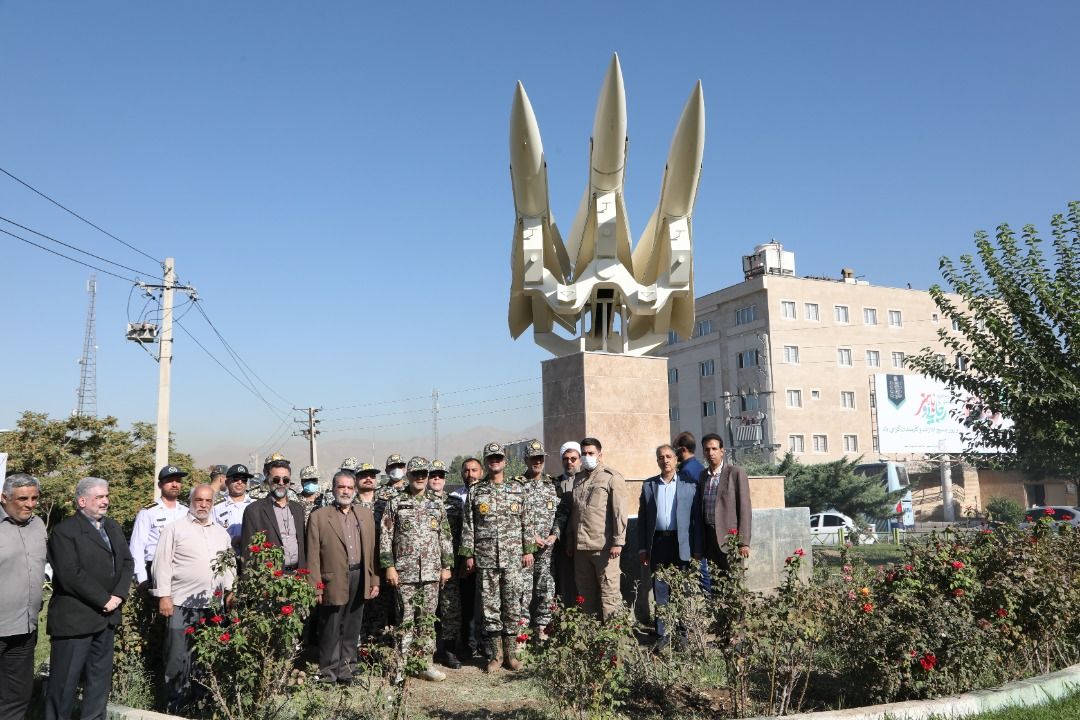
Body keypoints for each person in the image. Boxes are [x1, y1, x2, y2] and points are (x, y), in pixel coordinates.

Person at [45, 477, 134, 720]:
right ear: (82, 501)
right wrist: (104, 599)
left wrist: (118, 595)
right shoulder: (65, 532)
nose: (105, 501)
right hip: (75, 621)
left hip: (106, 619)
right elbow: (69, 574)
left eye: (106, 496)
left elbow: (127, 562)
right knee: (64, 685)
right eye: (99, 497)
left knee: (99, 684)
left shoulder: (112, 527)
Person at [153, 484, 235, 713]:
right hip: (180, 604)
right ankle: (174, 707)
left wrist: (230, 591)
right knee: (177, 657)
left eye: (208, 501)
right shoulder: (174, 529)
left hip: (212, 607)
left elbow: (229, 566)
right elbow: (162, 565)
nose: (203, 505)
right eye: (199, 500)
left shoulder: (221, 532)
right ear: (191, 501)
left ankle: (201, 706)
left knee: (205, 658)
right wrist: (164, 596)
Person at [459, 442, 535, 672]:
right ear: (486, 462)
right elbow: (468, 525)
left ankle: (511, 655)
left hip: (513, 558)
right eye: (491, 458)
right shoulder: (476, 491)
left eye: (498, 458)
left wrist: (528, 549)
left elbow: (527, 521)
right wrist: (469, 554)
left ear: (504, 461)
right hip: (486, 557)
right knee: (490, 607)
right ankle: (494, 656)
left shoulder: (518, 489)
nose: (495, 461)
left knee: (512, 605)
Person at [380, 457, 453, 681]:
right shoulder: (395, 502)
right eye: (416, 473)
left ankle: (424, 664)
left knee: (427, 619)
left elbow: (445, 535)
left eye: (424, 473)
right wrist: (389, 567)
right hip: (405, 571)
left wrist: (446, 566)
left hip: (431, 571)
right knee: (405, 618)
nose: (420, 477)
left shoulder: (436, 502)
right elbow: (385, 536)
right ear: (408, 475)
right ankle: (401, 666)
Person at [306, 470, 379, 685]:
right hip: (332, 579)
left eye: (349, 487)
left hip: (359, 576)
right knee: (331, 626)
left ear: (354, 490)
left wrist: (374, 579)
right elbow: (312, 556)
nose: (345, 491)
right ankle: (328, 673)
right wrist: (316, 587)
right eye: (341, 487)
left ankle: (347, 670)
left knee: (352, 626)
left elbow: (372, 551)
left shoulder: (364, 515)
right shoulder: (319, 516)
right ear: (333, 489)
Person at [638, 445, 700, 652]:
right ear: (657, 461)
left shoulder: (689, 484)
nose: (665, 460)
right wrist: (642, 548)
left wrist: (696, 548)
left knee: (681, 590)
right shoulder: (649, 485)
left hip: (681, 544)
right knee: (660, 590)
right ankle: (662, 633)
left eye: (668, 456)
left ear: (676, 459)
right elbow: (643, 519)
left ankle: (682, 634)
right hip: (658, 543)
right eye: (661, 457)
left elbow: (695, 519)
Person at [0, 473, 47, 720]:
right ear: (3, 498)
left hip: (25, 626)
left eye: (34, 498)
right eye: (23, 499)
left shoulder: (38, 524)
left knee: (18, 694)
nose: (30, 504)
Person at [567, 437, 627, 621]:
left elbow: (619, 512)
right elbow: (574, 514)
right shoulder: (577, 480)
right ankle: (591, 642)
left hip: (604, 548)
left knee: (609, 597)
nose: (587, 457)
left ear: (600, 455)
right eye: (584, 454)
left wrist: (618, 542)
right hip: (581, 549)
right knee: (586, 597)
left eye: (591, 453)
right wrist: (570, 541)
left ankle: (613, 644)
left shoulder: (611, 477)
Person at [518, 439, 559, 640]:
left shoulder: (552, 484)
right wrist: (530, 537)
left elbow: (559, 514)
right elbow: (513, 517)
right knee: (523, 591)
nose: (537, 462)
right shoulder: (516, 485)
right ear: (526, 459)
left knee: (546, 588)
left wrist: (554, 534)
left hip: (547, 551)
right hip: (525, 549)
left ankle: (542, 630)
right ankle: (521, 633)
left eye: (540, 458)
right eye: (533, 458)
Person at [696, 433, 752, 579]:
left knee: (733, 582)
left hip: (730, 540)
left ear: (722, 451)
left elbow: (745, 509)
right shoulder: (703, 476)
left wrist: (744, 542)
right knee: (716, 583)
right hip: (709, 538)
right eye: (707, 450)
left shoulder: (735, 473)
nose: (711, 453)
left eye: (714, 449)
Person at [240, 456, 306, 572]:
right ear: (268, 480)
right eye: (276, 479)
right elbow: (247, 553)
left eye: (285, 480)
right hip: (270, 578)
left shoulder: (298, 509)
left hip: (297, 577)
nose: (281, 483)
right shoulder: (254, 511)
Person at [427, 460, 463, 668]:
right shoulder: (419, 503)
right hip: (426, 565)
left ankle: (449, 650)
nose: (437, 479)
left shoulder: (455, 503)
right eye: (433, 475)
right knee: (427, 609)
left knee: (451, 608)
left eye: (440, 475)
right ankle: (428, 650)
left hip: (450, 566)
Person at [129, 466, 189, 588]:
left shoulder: (186, 511)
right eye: (169, 481)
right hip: (156, 567)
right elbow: (137, 546)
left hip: (183, 567)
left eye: (178, 481)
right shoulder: (148, 512)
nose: (174, 484)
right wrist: (141, 578)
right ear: (160, 485)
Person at [451, 457, 483, 657]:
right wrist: (465, 558)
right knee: (468, 602)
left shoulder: (488, 493)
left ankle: (486, 643)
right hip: (465, 558)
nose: (470, 474)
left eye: (474, 470)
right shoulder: (454, 497)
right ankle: (469, 644)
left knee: (488, 603)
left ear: (481, 472)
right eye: (466, 471)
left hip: (488, 557)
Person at [674, 431, 710, 589]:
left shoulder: (687, 471)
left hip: (691, 529)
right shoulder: (698, 467)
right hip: (698, 528)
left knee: (700, 573)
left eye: (675, 450)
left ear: (682, 449)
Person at [551, 442, 581, 607]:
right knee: (563, 582)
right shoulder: (553, 484)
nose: (569, 462)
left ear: (580, 460)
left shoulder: (586, 481)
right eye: (566, 459)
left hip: (582, 540)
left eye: (573, 459)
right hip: (560, 541)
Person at [213, 463, 255, 552]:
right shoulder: (217, 507)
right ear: (227, 482)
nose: (240, 482)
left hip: (251, 556)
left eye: (243, 479)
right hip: (225, 556)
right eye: (236, 478)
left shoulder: (256, 504)